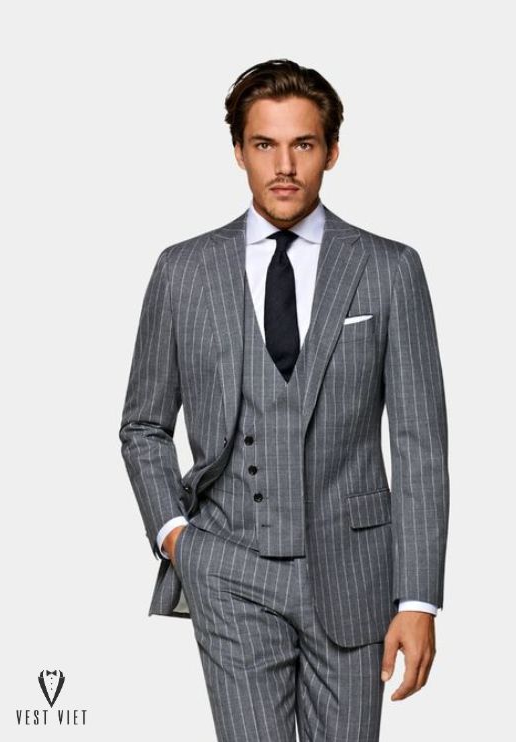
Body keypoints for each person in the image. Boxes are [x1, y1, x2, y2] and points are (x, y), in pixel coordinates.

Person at [119, 58, 450, 742]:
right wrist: (174, 535)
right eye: (264, 144)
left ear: (331, 151)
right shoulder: (183, 270)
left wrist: (418, 598)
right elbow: (144, 424)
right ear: (238, 151)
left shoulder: (389, 268)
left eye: (303, 143)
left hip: (354, 575)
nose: (284, 166)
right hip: (226, 566)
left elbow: (419, 444)